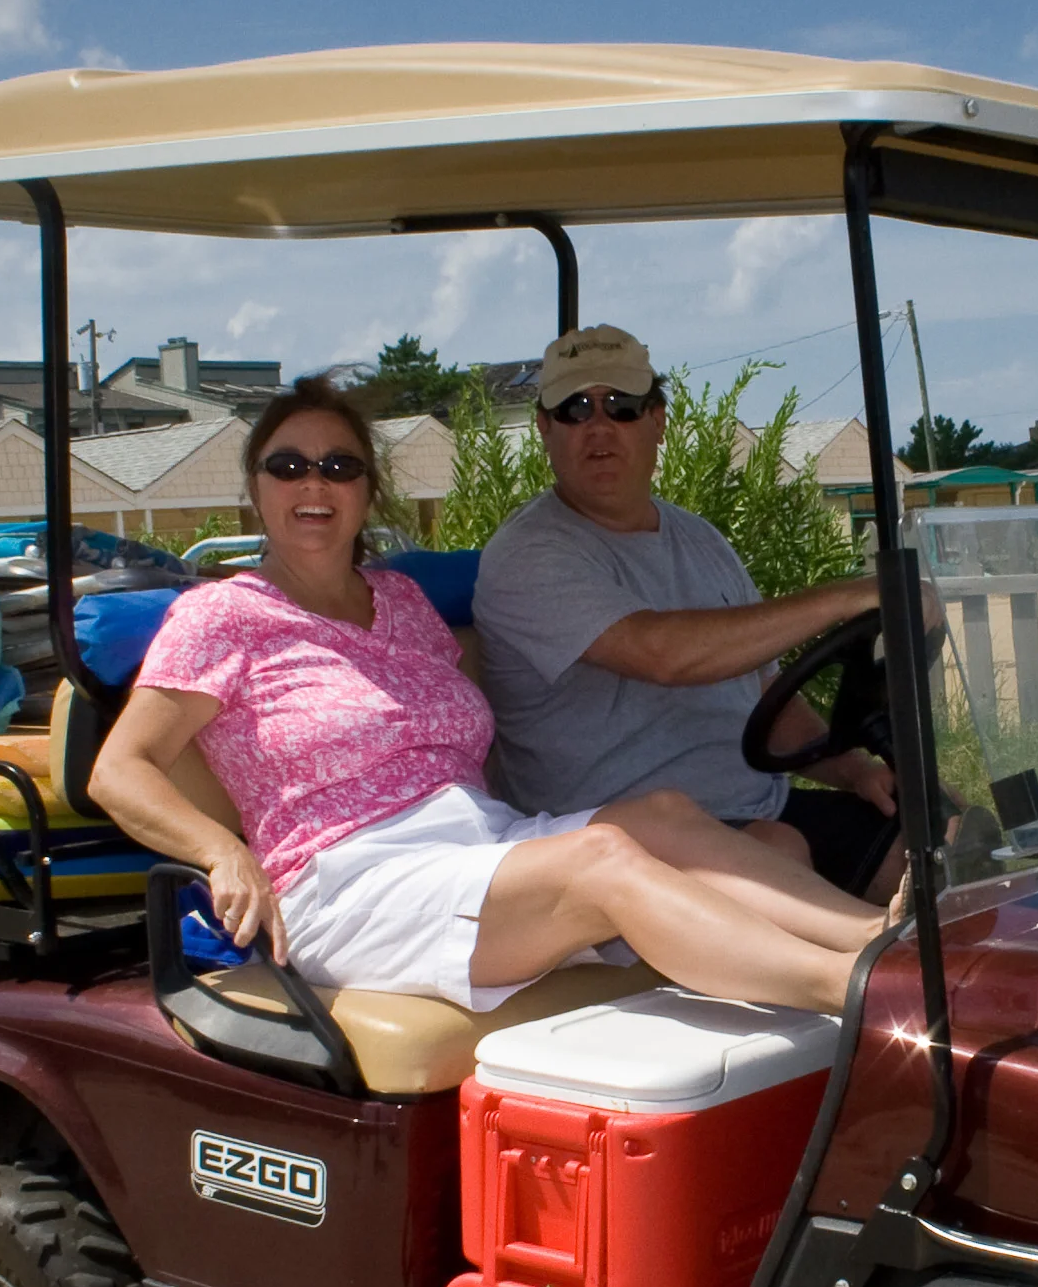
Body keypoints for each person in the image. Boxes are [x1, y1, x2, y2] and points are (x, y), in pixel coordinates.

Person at [89, 376, 890, 1017]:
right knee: (605, 858)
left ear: (367, 490)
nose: (314, 484)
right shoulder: (223, 616)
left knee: (666, 815)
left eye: (339, 466)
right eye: (288, 465)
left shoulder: (402, 602)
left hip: (472, 841)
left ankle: (886, 939)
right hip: (347, 881)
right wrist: (222, 852)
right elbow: (120, 770)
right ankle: (863, 993)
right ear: (255, 487)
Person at [470, 325, 906, 898]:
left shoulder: (700, 539)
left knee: (933, 835)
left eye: (622, 406)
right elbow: (662, 653)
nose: (599, 427)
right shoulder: (528, 555)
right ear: (545, 428)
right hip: (617, 847)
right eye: (575, 409)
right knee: (779, 852)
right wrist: (847, 596)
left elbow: (765, 697)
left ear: (657, 421)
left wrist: (856, 771)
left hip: (754, 809)